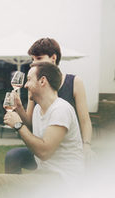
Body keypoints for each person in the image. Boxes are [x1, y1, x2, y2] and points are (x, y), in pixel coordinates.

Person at [0, 62, 84, 198]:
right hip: (44, 174)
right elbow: (34, 132)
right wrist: (19, 109)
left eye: (29, 80)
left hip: (62, 179)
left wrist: (18, 125)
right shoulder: (38, 109)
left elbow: (44, 151)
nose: (25, 85)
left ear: (42, 81)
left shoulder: (61, 110)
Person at [5, 37, 93, 174]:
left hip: (64, 150)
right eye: (33, 59)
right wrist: (19, 108)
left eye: (39, 58)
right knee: (13, 156)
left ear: (53, 58)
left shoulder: (74, 82)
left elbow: (85, 121)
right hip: (44, 146)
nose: (34, 63)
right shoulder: (35, 86)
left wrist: (86, 146)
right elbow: (30, 124)